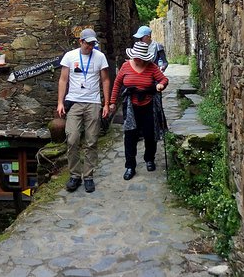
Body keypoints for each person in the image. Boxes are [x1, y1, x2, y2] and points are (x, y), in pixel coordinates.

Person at [57, 28, 111, 193]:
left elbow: (106, 80)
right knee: (72, 138)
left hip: (93, 102)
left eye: (93, 43)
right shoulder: (70, 56)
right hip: (74, 102)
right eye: (88, 43)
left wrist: (106, 103)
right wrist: (60, 102)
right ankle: (74, 175)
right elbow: (63, 80)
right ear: (80, 42)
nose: (91, 46)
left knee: (91, 141)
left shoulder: (100, 57)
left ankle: (88, 176)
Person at [109, 41, 169, 180]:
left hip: (149, 104)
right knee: (130, 135)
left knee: (150, 134)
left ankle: (149, 158)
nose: (138, 59)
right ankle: (130, 165)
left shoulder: (152, 67)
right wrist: (112, 102)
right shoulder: (125, 66)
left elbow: (164, 79)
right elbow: (117, 84)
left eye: (140, 57)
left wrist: (160, 85)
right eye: (136, 57)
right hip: (131, 106)